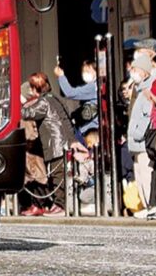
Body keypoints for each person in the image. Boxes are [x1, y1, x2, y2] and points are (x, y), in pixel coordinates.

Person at [21, 72, 79, 216]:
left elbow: (27, 113)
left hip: (55, 143)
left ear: (35, 89)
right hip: (61, 142)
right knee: (58, 175)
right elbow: (66, 119)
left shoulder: (43, 102)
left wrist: (17, 104)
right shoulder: (53, 98)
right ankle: (58, 204)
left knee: (58, 176)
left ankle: (61, 205)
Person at [127, 53, 156, 214]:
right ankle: (146, 205)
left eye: (135, 69)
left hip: (142, 142)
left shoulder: (147, 90)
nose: (133, 72)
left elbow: (147, 115)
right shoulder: (139, 90)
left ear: (144, 72)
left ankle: (151, 206)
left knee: (145, 173)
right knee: (139, 173)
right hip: (137, 143)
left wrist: (138, 134)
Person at [19, 83, 50, 216]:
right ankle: (39, 204)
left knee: (35, 176)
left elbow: (30, 132)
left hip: (30, 149)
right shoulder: (36, 105)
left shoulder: (28, 107)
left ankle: (38, 205)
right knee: (36, 175)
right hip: (34, 148)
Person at [142, 53, 156, 217]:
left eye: (155, 67)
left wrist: (155, 99)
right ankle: (154, 203)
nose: (154, 70)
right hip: (155, 124)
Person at [54, 59, 98, 133]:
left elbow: (70, 92)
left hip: (90, 128)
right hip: (88, 126)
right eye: (84, 72)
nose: (85, 74)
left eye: (88, 71)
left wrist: (61, 76)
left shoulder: (93, 87)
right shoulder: (94, 86)